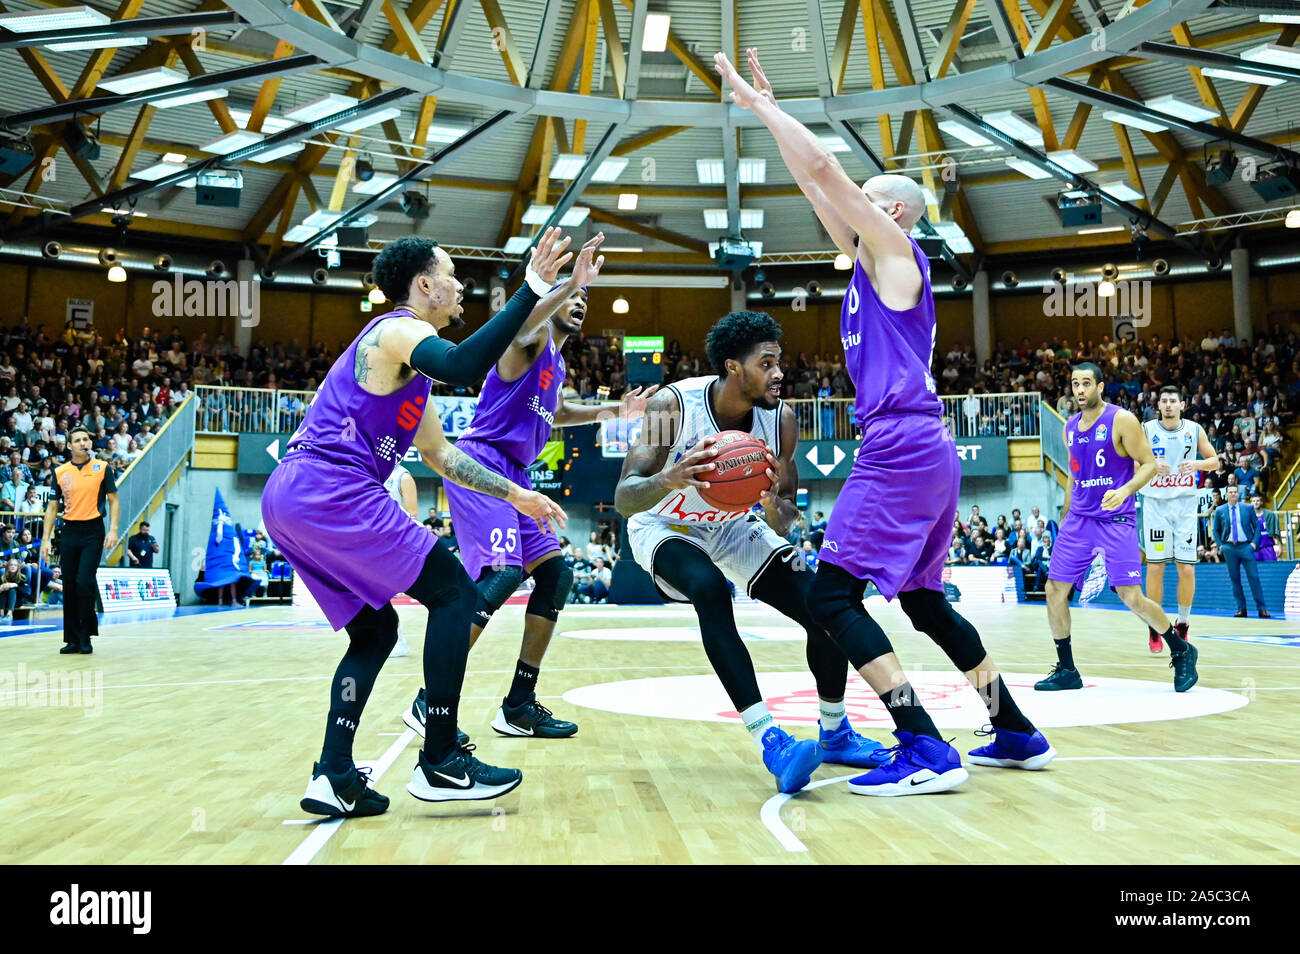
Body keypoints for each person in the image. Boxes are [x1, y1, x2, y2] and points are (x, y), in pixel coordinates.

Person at [715, 48, 1053, 796]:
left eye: (866, 201)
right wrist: (768, 114)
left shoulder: (898, 254)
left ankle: (925, 747)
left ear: (892, 211)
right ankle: (1014, 728)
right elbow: (816, 182)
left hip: (899, 445)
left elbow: (831, 176)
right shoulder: (870, 263)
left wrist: (766, 106)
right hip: (921, 447)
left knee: (831, 599)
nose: (849, 209)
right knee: (926, 601)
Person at [260, 230, 587, 819]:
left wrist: (518, 494)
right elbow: (464, 365)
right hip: (332, 487)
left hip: (292, 499)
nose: (461, 285)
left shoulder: (410, 369)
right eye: (452, 274)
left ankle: (334, 773)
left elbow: (443, 459)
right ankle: (441, 758)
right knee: (457, 594)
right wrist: (532, 288)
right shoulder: (398, 330)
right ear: (423, 285)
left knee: (376, 632)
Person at [617, 311, 887, 793]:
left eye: (779, 361)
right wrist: (668, 478)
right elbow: (624, 496)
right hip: (664, 522)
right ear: (733, 367)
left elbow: (787, 516)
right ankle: (771, 740)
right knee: (710, 589)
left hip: (733, 526)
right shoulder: (670, 406)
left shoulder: (780, 419)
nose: (779, 372)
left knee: (824, 604)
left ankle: (835, 732)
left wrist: (774, 509)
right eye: (767, 363)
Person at [404, 283, 653, 744]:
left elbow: (556, 411)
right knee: (502, 575)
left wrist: (615, 410)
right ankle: (429, 698)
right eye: (572, 297)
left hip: (517, 472)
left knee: (557, 576)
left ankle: (519, 705)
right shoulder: (530, 342)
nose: (580, 304)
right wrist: (557, 285)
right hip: (482, 463)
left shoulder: (556, 362)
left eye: (584, 301)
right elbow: (516, 328)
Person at [1039, 363, 1197, 693]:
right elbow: (1074, 475)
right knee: (1054, 590)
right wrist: (1066, 515)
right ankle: (1067, 669)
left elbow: (1150, 465)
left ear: (1100, 387)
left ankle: (1181, 650)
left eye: (1086, 383)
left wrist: (1125, 490)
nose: (1079, 390)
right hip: (1080, 520)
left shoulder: (1122, 419)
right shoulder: (1070, 427)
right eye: (1074, 384)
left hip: (1116, 519)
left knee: (1131, 597)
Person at [1138, 385, 1219, 651]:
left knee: (1186, 568)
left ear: (1182, 404)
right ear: (1158, 405)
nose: (1169, 405)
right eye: (1164, 401)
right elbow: (1130, 463)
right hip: (1155, 506)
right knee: (1156, 567)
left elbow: (1215, 461)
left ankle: (1182, 623)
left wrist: (1197, 464)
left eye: (1173, 401)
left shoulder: (1194, 429)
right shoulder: (1147, 429)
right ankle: (1154, 623)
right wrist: (1149, 466)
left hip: (1184, 505)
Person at [41, 426, 119, 655]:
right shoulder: (60, 472)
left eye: (86, 439)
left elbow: (113, 500)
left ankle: (85, 636)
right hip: (69, 531)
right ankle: (72, 639)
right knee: (71, 587)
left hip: (93, 531)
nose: (83, 443)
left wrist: (113, 529)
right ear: (69, 446)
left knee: (84, 583)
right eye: (78, 440)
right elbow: (52, 507)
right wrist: (46, 539)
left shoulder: (102, 468)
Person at [1212, 486, 1270, 618]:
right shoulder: (1220, 510)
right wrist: (1221, 546)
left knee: (1254, 577)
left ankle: (1262, 609)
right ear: (1226, 495)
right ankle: (1241, 609)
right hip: (1229, 548)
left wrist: (1254, 544)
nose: (1233, 494)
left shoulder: (1247, 508)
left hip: (1246, 547)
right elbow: (1215, 530)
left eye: (1235, 492)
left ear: (1238, 494)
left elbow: (1256, 526)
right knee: (1235, 580)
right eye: (1230, 492)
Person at [381, 460, 419, 659]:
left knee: (384, 594)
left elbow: (412, 514)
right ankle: (390, 637)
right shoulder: (376, 472)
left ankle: (398, 639)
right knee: (377, 596)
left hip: (394, 543)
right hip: (375, 542)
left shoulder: (403, 476)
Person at [1251, 493, 1279, 562]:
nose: (1256, 503)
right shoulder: (1248, 516)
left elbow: (1276, 531)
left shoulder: (1270, 514)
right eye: (1254, 501)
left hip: (1268, 546)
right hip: (1254, 547)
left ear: (1261, 502)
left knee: (1272, 568)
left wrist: (1279, 546)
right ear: (1251, 503)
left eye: (1257, 501)